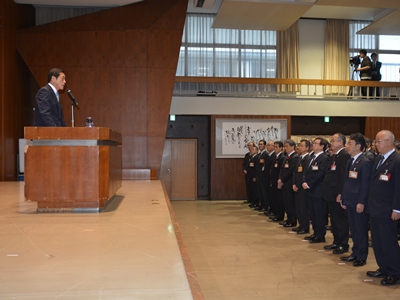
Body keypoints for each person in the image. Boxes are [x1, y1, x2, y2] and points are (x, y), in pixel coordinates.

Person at [366, 130, 400, 286]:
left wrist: (397, 209)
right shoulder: (379, 158)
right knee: (378, 241)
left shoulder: (397, 160)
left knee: (388, 242)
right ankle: (383, 268)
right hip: (375, 207)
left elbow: (398, 188)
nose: (376, 144)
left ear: (389, 142)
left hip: (388, 210)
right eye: (376, 141)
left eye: (379, 141)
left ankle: (395, 272)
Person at [338, 133, 372, 267]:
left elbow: (365, 185)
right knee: (354, 229)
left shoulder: (365, 162)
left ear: (358, 146)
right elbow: (347, 181)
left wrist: (362, 202)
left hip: (358, 202)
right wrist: (343, 196)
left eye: (350, 144)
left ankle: (361, 256)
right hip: (350, 200)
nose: (347, 146)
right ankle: (355, 253)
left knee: (360, 229)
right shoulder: (350, 161)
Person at [323, 133, 351, 254]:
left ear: (341, 142)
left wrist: (341, 193)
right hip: (331, 193)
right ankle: (336, 241)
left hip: (337, 193)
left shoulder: (344, 155)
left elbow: (342, 176)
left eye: (333, 141)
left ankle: (343, 243)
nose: (331, 143)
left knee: (340, 220)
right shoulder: (335, 156)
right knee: (334, 219)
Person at [302, 138, 330, 243]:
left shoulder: (324, 158)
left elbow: (321, 174)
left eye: (315, 143)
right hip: (309, 189)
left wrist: (309, 184)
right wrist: (304, 181)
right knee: (312, 214)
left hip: (318, 190)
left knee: (319, 213)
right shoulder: (311, 157)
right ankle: (315, 233)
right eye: (313, 143)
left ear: (322, 146)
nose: (313, 145)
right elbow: (305, 171)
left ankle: (320, 235)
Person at [278, 139, 299, 227]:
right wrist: (280, 179)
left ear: (292, 147)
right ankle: (288, 219)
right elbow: (282, 170)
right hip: (284, 183)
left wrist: (282, 180)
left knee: (290, 202)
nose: (285, 148)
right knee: (286, 202)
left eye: (287, 146)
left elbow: (291, 171)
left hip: (289, 182)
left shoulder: (295, 157)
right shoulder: (286, 156)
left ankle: (292, 220)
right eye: (285, 146)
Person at [292, 140, 311, 234]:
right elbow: (295, 172)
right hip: (297, 186)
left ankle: (305, 227)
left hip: (302, 187)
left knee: (303, 208)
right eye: (299, 145)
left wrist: (299, 185)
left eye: (302, 146)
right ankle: (301, 225)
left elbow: (304, 174)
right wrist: (294, 184)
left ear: (307, 148)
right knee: (298, 207)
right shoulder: (300, 158)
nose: (299, 147)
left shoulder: (308, 158)